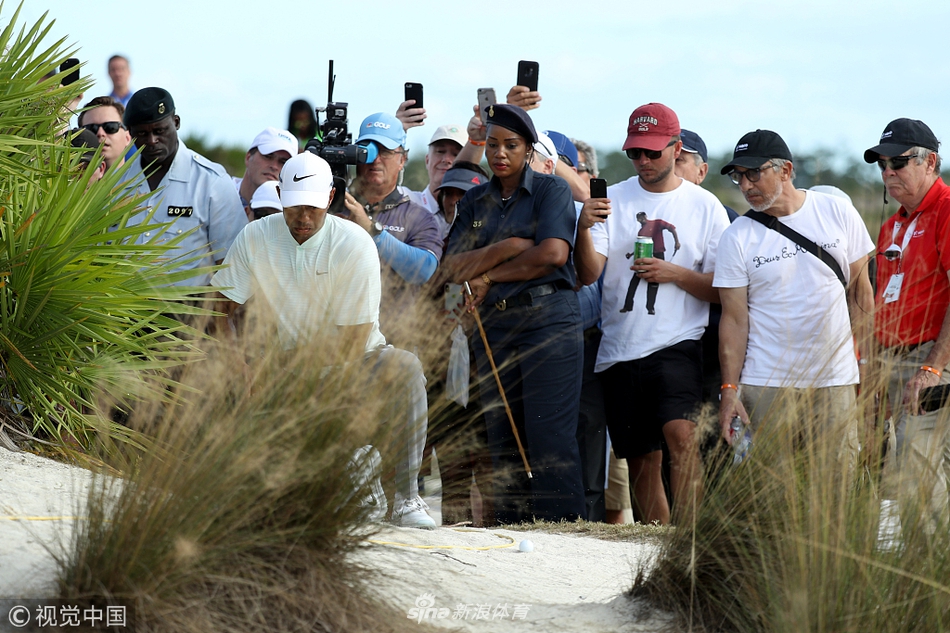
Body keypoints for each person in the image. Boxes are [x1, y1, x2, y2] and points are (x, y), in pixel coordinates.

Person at [211, 151, 435, 529]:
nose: (303, 217)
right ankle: (354, 471)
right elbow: (218, 309)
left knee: (406, 367)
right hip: (281, 367)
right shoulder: (255, 236)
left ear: (329, 198)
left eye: (313, 207)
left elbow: (351, 342)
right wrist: (239, 365)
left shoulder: (354, 243)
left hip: (357, 364)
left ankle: (405, 498)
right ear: (280, 194)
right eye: (295, 206)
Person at [574, 102, 730, 525]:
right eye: (634, 153)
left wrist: (675, 273)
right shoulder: (613, 197)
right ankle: (657, 545)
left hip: (677, 342)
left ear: (677, 149)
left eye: (652, 152)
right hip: (619, 347)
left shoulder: (705, 206)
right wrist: (584, 227)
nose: (642, 161)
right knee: (641, 457)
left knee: (682, 437)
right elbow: (589, 273)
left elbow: (723, 291)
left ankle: (690, 543)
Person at [443, 103, 586, 523]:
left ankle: (563, 531)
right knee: (502, 437)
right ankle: (514, 530)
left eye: (511, 145)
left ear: (527, 149)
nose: (500, 153)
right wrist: (509, 247)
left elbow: (554, 253)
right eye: (492, 145)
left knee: (548, 436)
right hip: (495, 327)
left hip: (548, 321)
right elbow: (451, 268)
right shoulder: (473, 200)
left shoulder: (550, 190)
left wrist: (488, 277)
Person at [715, 129, 874, 461]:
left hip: (835, 379)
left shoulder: (837, 211)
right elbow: (733, 319)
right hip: (766, 383)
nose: (745, 185)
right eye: (738, 176)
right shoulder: (736, 236)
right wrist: (729, 390)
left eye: (753, 173)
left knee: (837, 490)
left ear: (785, 171)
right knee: (772, 497)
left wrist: (869, 368)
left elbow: (860, 291)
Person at [864, 118, 950, 526]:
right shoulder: (890, 225)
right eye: (882, 164)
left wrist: (933, 367)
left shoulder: (947, 209)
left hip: (932, 363)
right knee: (910, 479)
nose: (887, 173)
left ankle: (931, 581)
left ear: (930, 161)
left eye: (898, 163)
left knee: (913, 476)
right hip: (893, 366)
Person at [121, 87, 247, 287]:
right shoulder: (119, 183)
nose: (152, 141)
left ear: (176, 122)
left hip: (190, 310)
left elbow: (231, 262)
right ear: (130, 134)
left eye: (159, 131)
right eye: (142, 134)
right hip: (125, 312)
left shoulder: (211, 182)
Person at [342, 112, 443, 344]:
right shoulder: (331, 205)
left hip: (396, 346)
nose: (375, 160)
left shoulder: (419, 217)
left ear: (402, 159)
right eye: (367, 150)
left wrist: (371, 230)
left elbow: (423, 271)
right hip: (335, 345)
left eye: (385, 152)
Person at [232, 127, 297, 216]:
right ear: (248, 157)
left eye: (283, 162)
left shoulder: (295, 212)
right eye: (268, 156)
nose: (274, 166)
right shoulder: (216, 194)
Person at [432, 161, 489, 241]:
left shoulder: (498, 238)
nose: (453, 202)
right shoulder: (432, 237)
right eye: (448, 194)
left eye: (464, 194)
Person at [77, 96, 132, 170]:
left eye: (110, 127)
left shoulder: (146, 180)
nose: (100, 133)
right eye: (91, 129)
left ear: (127, 138)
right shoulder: (61, 180)